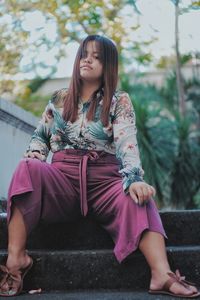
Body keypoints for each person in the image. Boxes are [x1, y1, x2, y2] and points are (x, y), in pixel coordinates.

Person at [0, 35, 199, 298]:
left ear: (108, 65)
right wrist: (32, 173)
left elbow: (127, 143)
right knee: (27, 167)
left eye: (96, 56)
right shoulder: (58, 100)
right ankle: (16, 261)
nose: (88, 60)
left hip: (106, 182)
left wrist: (133, 178)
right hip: (62, 180)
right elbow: (39, 141)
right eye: (84, 54)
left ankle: (161, 274)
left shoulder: (119, 101)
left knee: (138, 195)